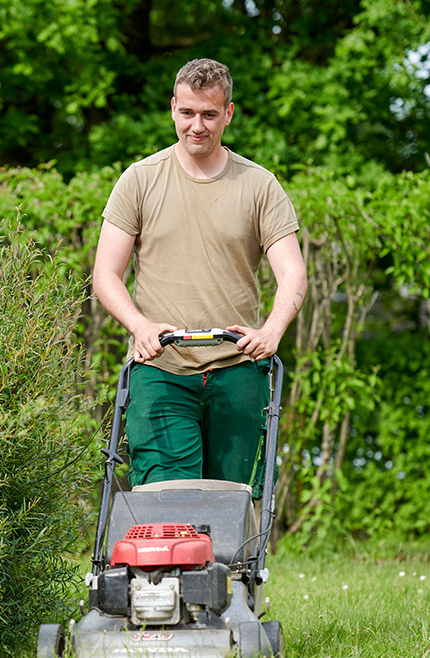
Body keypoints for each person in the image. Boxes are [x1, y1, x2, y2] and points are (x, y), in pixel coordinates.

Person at [92, 58, 307, 493]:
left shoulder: (259, 185)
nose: (197, 125)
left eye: (209, 114)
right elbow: (105, 275)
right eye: (187, 112)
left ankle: (233, 566)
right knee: (165, 501)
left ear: (228, 113)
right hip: (161, 368)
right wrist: (140, 326)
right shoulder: (139, 180)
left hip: (237, 370)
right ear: (173, 108)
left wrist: (272, 330)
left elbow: (293, 273)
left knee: (234, 500)